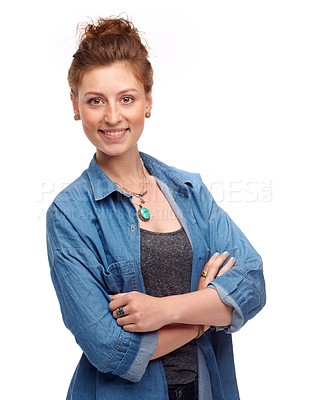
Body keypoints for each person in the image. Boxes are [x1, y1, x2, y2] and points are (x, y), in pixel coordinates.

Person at [46, 16, 266, 400]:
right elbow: (110, 349)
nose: (112, 116)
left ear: (148, 101)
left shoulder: (188, 189)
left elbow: (251, 285)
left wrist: (163, 311)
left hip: (206, 388)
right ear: (76, 106)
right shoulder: (69, 216)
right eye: (96, 100)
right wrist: (202, 316)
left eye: (126, 98)